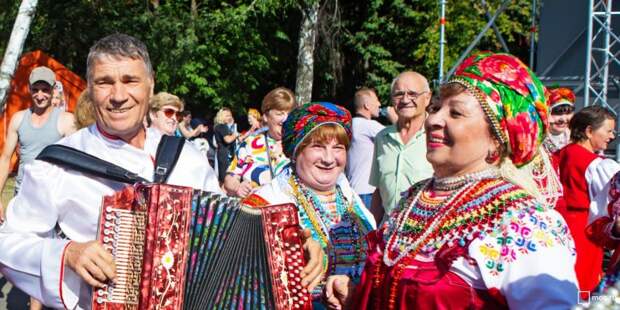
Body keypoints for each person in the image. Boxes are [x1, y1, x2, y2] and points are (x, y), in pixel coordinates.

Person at [0, 34, 329, 310]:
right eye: (104, 82)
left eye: (130, 81)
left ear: (150, 85)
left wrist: (288, 249)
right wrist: (66, 253)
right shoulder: (59, 162)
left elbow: (231, 237)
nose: (118, 95)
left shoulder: (185, 156)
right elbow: (8, 243)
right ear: (89, 88)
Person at [324, 52, 578, 309]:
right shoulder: (415, 199)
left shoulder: (520, 221)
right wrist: (357, 293)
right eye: (435, 108)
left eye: (455, 113)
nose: (433, 119)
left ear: (496, 138)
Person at [243, 102, 376, 306]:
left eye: (338, 148)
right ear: (296, 152)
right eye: (318, 147)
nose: (329, 159)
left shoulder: (352, 199)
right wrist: (287, 249)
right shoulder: (266, 204)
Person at [555, 105, 620, 292]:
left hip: (559, 227)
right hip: (585, 232)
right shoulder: (598, 165)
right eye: (608, 131)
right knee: (583, 287)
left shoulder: (557, 155)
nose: (612, 136)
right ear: (589, 131)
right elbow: (610, 204)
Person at [0, 66, 76, 223]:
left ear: (54, 90)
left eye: (45, 90)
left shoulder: (66, 121)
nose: (40, 95)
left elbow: (74, 166)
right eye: (35, 90)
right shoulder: (18, 119)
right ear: (29, 89)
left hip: (52, 200)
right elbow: (5, 159)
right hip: (22, 197)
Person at [368, 71, 434, 223]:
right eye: (399, 94)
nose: (405, 100)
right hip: (388, 232)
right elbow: (379, 190)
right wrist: (370, 231)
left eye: (412, 94)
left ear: (427, 98)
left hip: (426, 231)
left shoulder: (439, 134)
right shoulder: (382, 138)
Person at [224, 87, 295, 197]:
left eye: (289, 114)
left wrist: (267, 190)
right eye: (280, 113)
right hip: (254, 211)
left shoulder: (300, 145)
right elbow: (230, 177)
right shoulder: (250, 143)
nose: (285, 119)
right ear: (266, 116)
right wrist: (238, 187)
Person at [346, 88, 394, 209]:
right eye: (376, 100)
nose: (379, 104)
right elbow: (400, 137)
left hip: (353, 190)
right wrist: (394, 117)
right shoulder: (368, 126)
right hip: (368, 192)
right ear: (367, 105)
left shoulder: (350, 124)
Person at [543, 87, 575, 152]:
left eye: (568, 113)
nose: (563, 119)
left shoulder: (576, 138)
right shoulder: (537, 141)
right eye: (557, 113)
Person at [214, 107, 239, 182]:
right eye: (227, 115)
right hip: (225, 155)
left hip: (225, 154)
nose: (230, 117)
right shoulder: (222, 126)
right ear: (222, 116)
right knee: (225, 177)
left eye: (230, 115)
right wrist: (235, 135)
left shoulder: (223, 127)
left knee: (226, 176)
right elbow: (228, 140)